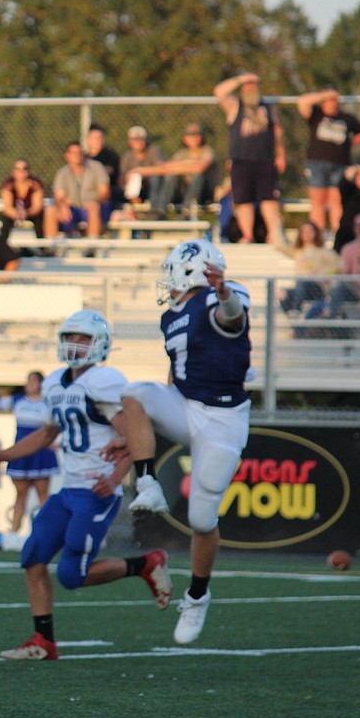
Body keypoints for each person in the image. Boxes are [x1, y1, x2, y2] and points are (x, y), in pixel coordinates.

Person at [0, 310, 172, 661]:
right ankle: (43, 640)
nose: (74, 345)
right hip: (68, 491)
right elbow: (48, 433)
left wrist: (114, 478)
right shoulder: (53, 382)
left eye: (82, 338)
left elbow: (135, 436)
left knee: (71, 575)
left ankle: (145, 564)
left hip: (97, 492)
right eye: (69, 337)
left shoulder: (105, 381)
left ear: (100, 345)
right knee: (32, 558)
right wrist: (2, 455)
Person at [105, 239, 252, 645]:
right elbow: (175, 373)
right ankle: (147, 482)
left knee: (202, 521)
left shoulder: (223, 295)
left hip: (223, 421)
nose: (165, 281)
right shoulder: (171, 318)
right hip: (188, 406)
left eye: (171, 271)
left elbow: (232, 318)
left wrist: (222, 291)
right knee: (135, 393)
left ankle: (198, 594)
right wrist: (137, 434)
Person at [214, 72, 285, 245]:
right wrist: (241, 78)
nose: (250, 87)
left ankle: (273, 235)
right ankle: (247, 235)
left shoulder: (267, 107)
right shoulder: (235, 105)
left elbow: (278, 132)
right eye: (247, 85)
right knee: (243, 200)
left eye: (254, 84)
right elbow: (219, 91)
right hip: (241, 160)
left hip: (265, 160)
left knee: (269, 199)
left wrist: (281, 155)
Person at [0, 371, 57, 533]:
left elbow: (58, 425)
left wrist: (56, 442)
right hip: (21, 452)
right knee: (20, 494)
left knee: (42, 493)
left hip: (41, 452)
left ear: (41, 384)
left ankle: (45, 530)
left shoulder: (48, 403)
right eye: (28, 381)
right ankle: (14, 531)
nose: (29, 384)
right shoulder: (18, 401)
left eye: (33, 381)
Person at [296, 89, 360, 233]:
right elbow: (302, 102)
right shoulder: (317, 115)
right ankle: (318, 234)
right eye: (329, 100)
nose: (332, 103)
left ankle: (337, 232)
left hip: (340, 164)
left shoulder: (346, 118)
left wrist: (350, 144)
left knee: (337, 200)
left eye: (334, 100)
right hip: (316, 163)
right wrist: (325, 94)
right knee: (318, 201)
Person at [134, 122, 219, 217]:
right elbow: (163, 169)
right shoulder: (181, 154)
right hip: (184, 192)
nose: (194, 138)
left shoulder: (207, 151)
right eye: (190, 135)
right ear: (185, 138)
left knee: (197, 175)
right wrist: (139, 170)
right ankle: (160, 210)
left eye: (197, 135)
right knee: (171, 175)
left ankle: (186, 211)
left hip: (204, 193)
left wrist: (176, 166)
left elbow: (200, 167)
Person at [44, 141, 112, 240]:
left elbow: (105, 192)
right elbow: (59, 196)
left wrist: (95, 202)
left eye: (79, 152)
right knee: (50, 210)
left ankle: (92, 247)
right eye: (74, 153)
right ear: (67, 156)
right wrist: (62, 205)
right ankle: (50, 247)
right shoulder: (62, 173)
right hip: (73, 208)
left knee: (93, 208)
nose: (77, 155)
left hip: (94, 207)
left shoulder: (96, 167)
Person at [277, 220, 340, 321]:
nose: (307, 233)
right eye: (304, 231)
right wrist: (277, 224)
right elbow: (280, 245)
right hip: (301, 289)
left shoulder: (323, 251)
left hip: (318, 288)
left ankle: (296, 310)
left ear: (316, 233)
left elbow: (338, 264)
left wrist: (321, 274)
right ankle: (293, 319)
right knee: (283, 294)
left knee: (303, 282)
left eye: (310, 230)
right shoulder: (298, 251)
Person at [0, 159, 46, 243]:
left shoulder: (35, 184)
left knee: (39, 219)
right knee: (5, 220)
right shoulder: (8, 184)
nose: (21, 172)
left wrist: (26, 213)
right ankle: (2, 246)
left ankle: (42, 248)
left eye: (24, 168)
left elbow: (37, 207)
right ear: (13, 171)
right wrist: (16, 213)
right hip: (14, 213)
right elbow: (7, 207)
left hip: (31, 213)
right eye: (18, 169)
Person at [118, 125, 165, 205]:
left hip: (150, 186)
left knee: (154, 178)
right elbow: (122, 177)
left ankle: (154, 206)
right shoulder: (127, 156)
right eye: (135, 140)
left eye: (141, 139)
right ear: (129, 142)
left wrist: (141, 172)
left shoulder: (153, 151)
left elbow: (161, 168)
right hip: (133, 189)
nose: (139, 142)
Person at [84, 123, 121, 203]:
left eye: (101, 138)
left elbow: (109, 171)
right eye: (96, 138)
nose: (100, 141)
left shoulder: (109, 155)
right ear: (89, 140)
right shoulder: (84, 158)